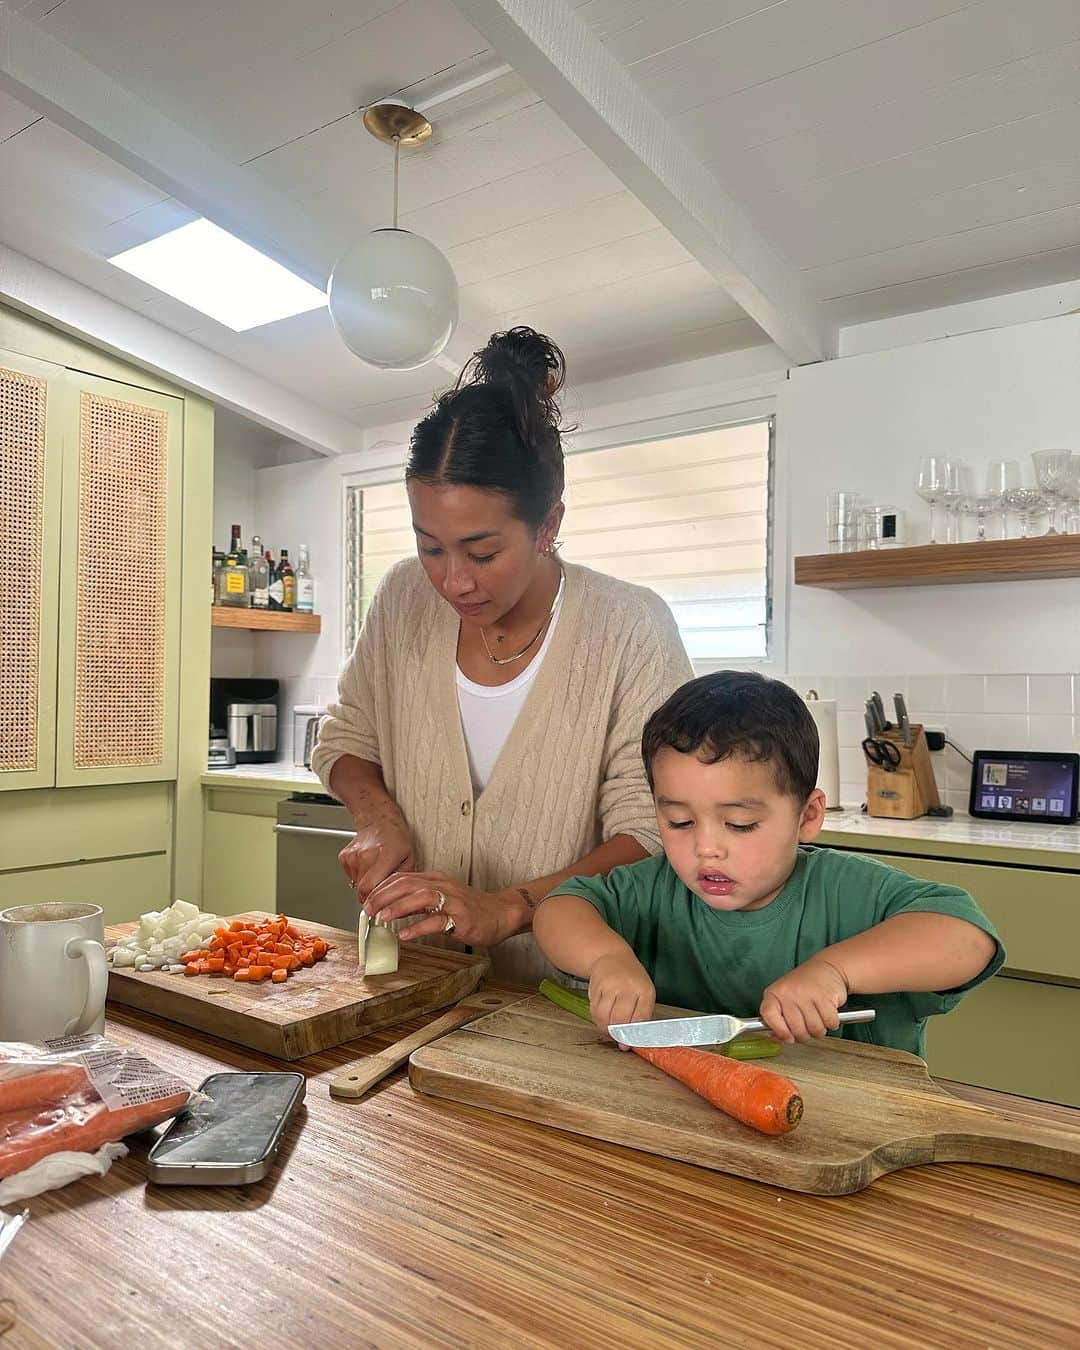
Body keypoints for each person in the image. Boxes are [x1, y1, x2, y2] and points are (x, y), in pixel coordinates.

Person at [312, 327, 692, 985]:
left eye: (483, 553)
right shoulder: (404, 596)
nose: (453, 580)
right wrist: (379, 820)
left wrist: (508, 908)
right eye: (431, 546)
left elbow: (652, 835)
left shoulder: (629, 627)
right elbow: (346, 738)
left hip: (573, 996)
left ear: (548, 526)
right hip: (415, 977)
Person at [532, 671, 1004, 1055]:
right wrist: (607, 958)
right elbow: (559, 908)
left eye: (739, 825)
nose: (706, 848)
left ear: (808, 816)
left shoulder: (848, 892)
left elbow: (967, 939)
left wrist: (834, 972)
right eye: (679, 821)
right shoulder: (650, 890)